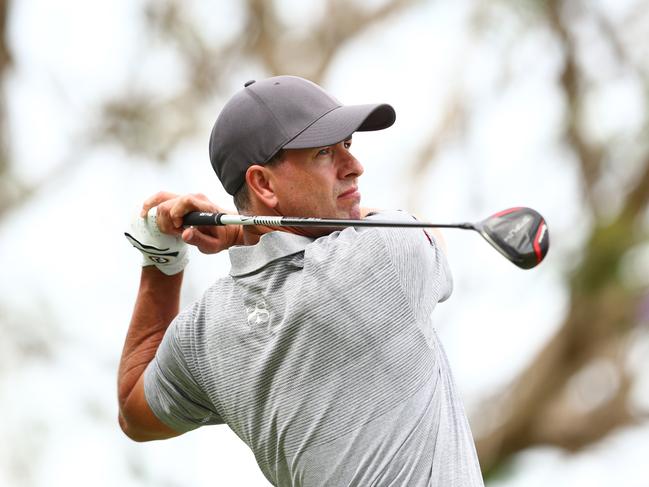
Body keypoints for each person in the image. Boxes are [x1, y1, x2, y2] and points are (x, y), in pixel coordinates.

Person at [118, 75, 484, 486]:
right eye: (326, 153)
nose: (355, 166)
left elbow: (134, 411)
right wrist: (241, 234)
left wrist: (160, 257)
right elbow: (427, 237)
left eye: (348, 145)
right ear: (262, 184)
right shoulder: (384, 257)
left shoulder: (205, 335)